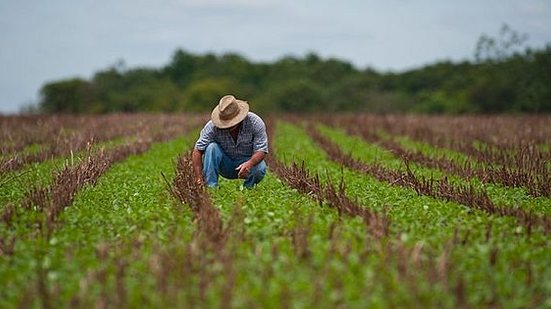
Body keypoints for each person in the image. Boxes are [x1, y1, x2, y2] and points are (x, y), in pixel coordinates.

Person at [192, 94, 268, 188]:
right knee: (211, 148)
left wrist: (249, 163)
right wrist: (199, 178)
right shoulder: (212, 126)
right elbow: (198, 150)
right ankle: (211, 187)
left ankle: (248, 189)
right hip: (225, 164)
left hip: (247, 162)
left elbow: (261, 150)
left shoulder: (255, 122)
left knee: (260, 168)